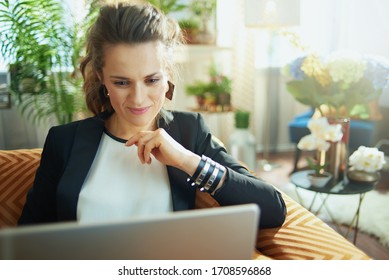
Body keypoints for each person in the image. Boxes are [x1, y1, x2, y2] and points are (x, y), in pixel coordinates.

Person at [18, 1, 286, 229]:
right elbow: (28, 240)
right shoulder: (64, 141)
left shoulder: (189, 131)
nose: (137, 98)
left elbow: (272, 209)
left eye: (151, 80)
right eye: (122, 82)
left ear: (167, 72)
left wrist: (185, 160)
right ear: (101, 77)